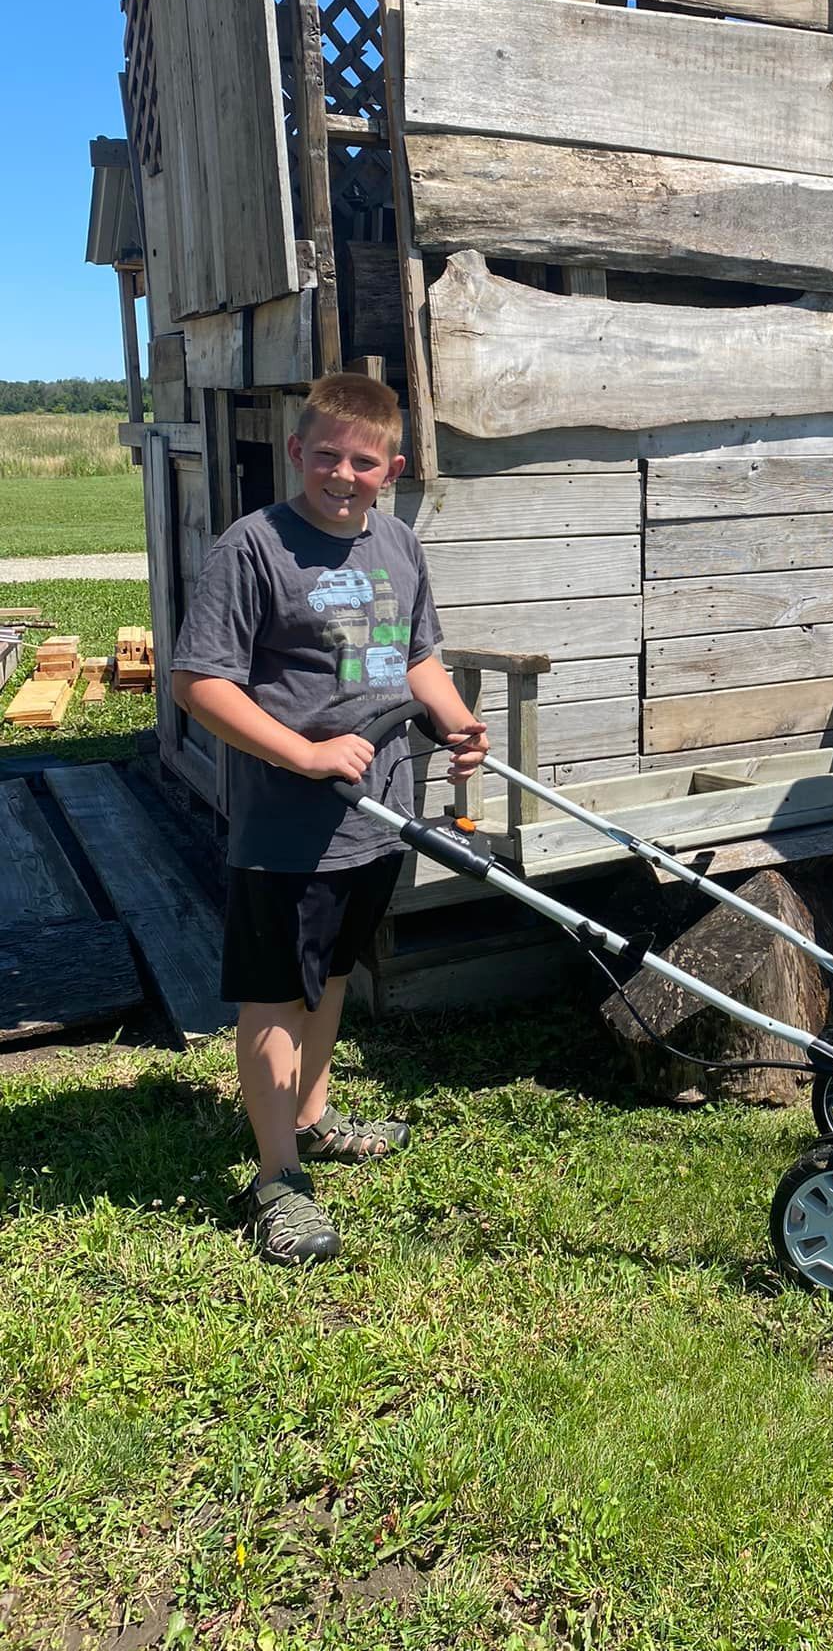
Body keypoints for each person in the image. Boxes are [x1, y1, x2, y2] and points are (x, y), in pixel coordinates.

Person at [171, 372, 487, 1265]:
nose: (342, 474)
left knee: (332, 975)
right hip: (288, 824)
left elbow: (416, 655)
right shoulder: (255, 548)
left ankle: (311, 1115)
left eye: (363, 461)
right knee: (275, 994)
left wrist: (455, 720)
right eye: (326, 456)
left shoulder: (396, 543)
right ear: (297, 452)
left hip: (379, 813)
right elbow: (199, 683)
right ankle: (277, 1177)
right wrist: (303, 755)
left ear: (391, 466)